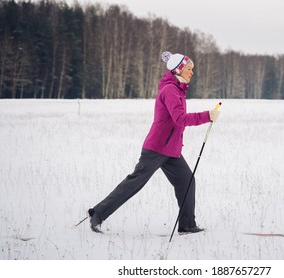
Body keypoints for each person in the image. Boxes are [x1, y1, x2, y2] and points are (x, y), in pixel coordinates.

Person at [88, 51, 220, 234]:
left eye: (192, 69)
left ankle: (187, 225)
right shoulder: (170, 90)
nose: (192, 72)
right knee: (134, 183)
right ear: (179, 70)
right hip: (157, 148)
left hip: (171, 150)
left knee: (186, 181)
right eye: (189, 69)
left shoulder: (178, 89)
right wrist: (207, 116)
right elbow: (180, 119)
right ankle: (97, 214)